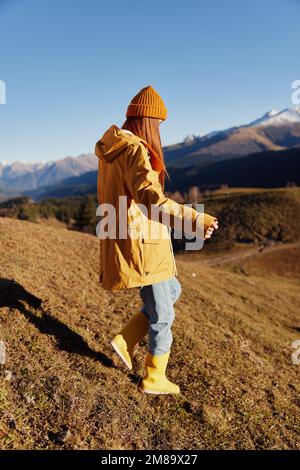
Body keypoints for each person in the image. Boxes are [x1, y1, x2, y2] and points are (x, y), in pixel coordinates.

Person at [95, 85, 218, 395]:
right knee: (163, 315)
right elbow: (152, 202)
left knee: (172, 289)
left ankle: (125, 339)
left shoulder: (112, 149)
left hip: (127, 236)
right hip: (143, 242)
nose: (161, 131)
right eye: (159, 124)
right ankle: (153, 378)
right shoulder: (135, 150)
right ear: (148, 120)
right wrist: (195, 220)